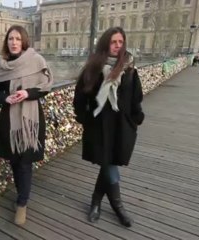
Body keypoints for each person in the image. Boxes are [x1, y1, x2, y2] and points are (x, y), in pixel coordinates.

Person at [73, 27, 145, 228]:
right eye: (113, 42)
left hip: (122, 126)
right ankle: (118, 207)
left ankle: (96, 201)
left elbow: (136, 97)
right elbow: (79, 97)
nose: (117, 46)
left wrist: (136, 118)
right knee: (109, 164)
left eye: (120, 42)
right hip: (99, 125)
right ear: (106, 43)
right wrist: (83, 117)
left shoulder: (129, 69)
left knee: (109, 163)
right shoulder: (93, 68)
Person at [0, 25, 54, 225]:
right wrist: (6, 99)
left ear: (24, 41)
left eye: (18, 38)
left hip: (30, 120)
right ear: (6, 42)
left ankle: (22, 204)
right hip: (10, 120)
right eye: (11, 39)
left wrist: (28, 93)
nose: (14, 42)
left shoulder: (36, 60)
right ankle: (21, 195)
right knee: (14, 161)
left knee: (25, 163)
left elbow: (45, 88)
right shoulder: (2, 66)